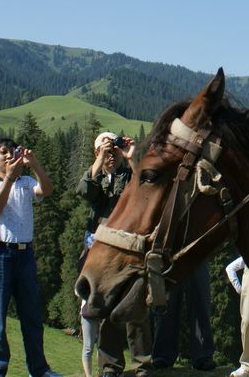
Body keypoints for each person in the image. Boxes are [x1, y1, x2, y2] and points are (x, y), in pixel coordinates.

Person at [0, 138, 62, 377]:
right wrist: (10, 178)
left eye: (11, 152)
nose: (7, 156)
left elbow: (47, 190)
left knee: (32, 318)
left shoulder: (26, 181)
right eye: (2, 152)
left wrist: (33, 164)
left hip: (25, 255)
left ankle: (39, 369)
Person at [77, 131, 151, 377]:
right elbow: (84, 191)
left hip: (129, 248)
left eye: (113, 150)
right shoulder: (97, 178)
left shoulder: (128, 175)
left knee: (135, 306)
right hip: (101, 252)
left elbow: (147, 186)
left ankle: (142, 364)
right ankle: (110, 366)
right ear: (96, 152)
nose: (111, 156)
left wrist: (130, 156)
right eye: (105, 150)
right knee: (105, 308)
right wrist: (99, 159)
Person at [150, 261, 216, 371]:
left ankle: (202, 356)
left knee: (200, 302)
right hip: (169, 254)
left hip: (198, 251)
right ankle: (162, 356)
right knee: (166, 303)